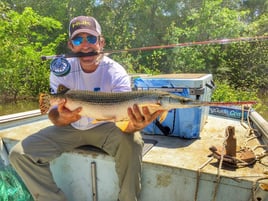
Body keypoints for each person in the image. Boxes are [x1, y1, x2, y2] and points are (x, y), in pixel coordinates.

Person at [9, 16, 163, 201]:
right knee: (19, 154)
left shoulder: (116, 72)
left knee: (134, 142)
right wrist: (62, 119)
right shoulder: (62, 69)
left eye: (90, 39)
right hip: (69, 128)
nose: (85, 45)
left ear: (101, 42)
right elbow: (53, 115)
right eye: (77, 40)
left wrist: (136, 125)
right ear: (71, 45)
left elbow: (125, 121)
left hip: (106, 127)